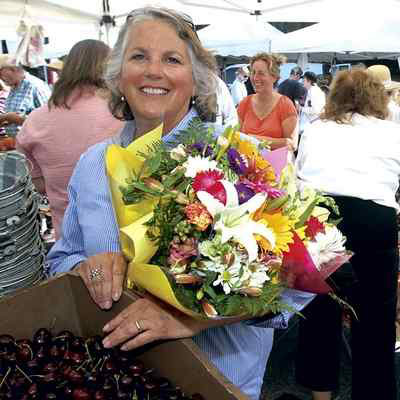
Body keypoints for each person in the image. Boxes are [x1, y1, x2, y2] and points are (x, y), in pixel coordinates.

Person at [46, 8, 291, 400]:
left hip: (219, 376)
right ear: (118, 75)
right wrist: (83, 268)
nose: (152, 71)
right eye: (138, 56)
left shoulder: (240, 156)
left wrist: (191, 316)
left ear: (196, 80)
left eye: (172, 59)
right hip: (118, 376)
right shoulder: (93, 163)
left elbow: (292, 283)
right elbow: (61, 258)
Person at [295, 69, 399, 400]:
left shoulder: (314, 129)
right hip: (374, 223)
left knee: (319, 314)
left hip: (322, 221)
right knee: (376, 322)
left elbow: (300, 176)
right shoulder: (391, 131)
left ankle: (320, 396)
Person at [15, 39, 123, 240]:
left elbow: (37, 184)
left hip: (68, 237)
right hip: (123, 234)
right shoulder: (123, 114)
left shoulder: (36, 119)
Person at [237, 53, 298, 151]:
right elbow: (236, 138)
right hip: (248, 164)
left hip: (276, 165)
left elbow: (292, 144)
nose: (255, 78)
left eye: (261, 73)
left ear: (274, 77)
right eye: (253, 72)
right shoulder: (245, 103)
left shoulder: (285, 105)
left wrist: (256, 141)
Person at [0, 54, 50, 137]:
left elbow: (48, 119)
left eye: (0, 72)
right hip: (18, 143)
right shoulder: (14, 87)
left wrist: (10, 118)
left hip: (35, 143)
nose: (0, 78)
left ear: (13, 69)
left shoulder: (34, 85)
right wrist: (6, 120)